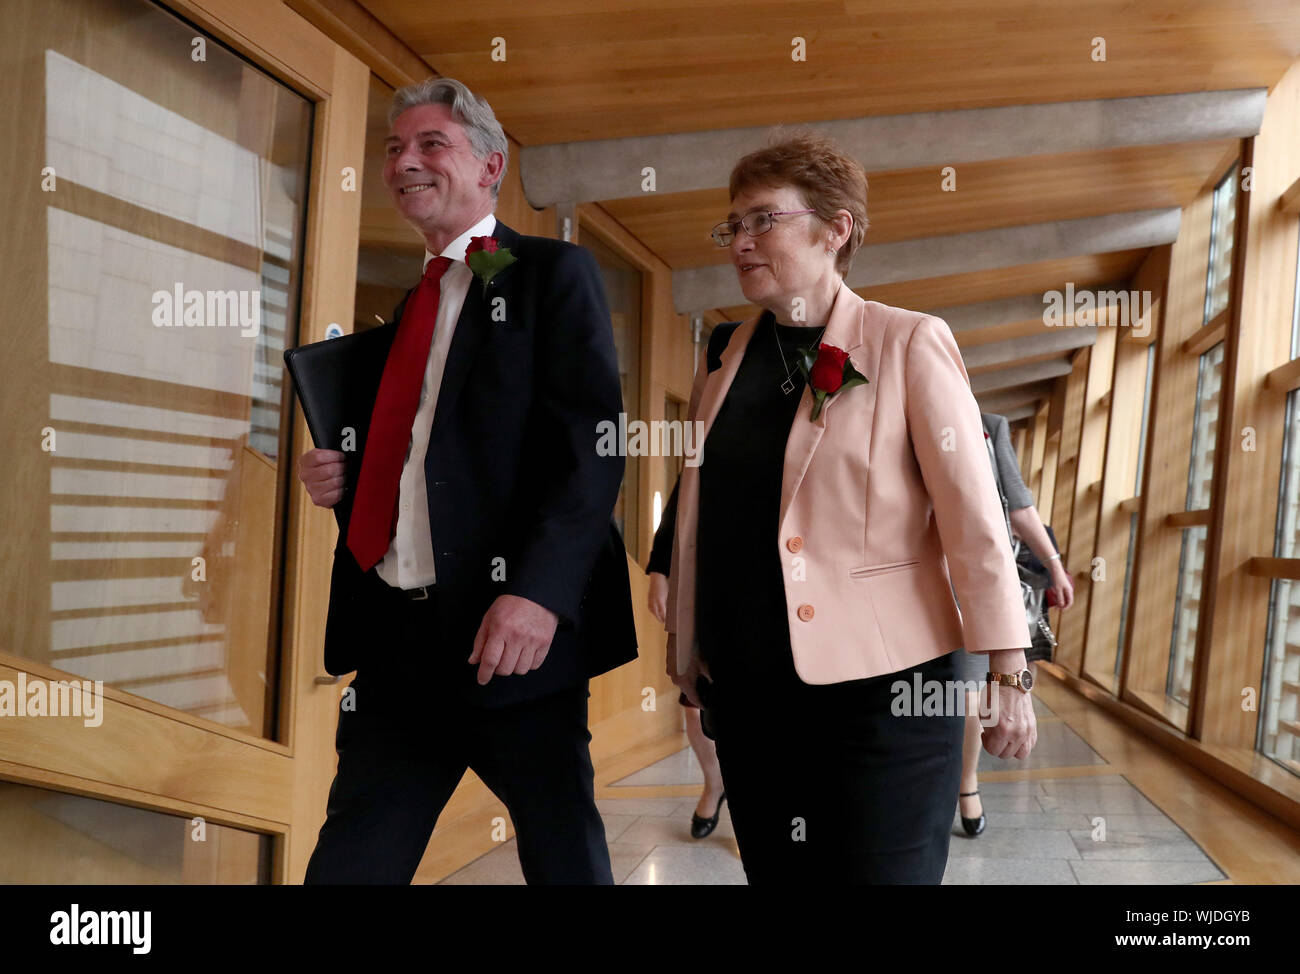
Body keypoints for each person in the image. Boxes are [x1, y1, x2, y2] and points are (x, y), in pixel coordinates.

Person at [664, 130, 1037, 884]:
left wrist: (1008, 672)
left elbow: (975, 521)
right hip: (752, 690)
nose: (740, 241)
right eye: (732, 225)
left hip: (887, 696)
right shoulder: (725, 357)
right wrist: (690, 636)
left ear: (838, 230)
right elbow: (703, 506)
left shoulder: (907, 344)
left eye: (763, 219)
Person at [296, 78, 636, 884]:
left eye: (429, 144)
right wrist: (343, 471)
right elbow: (426, 461)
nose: (404, 161)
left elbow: (593, 448)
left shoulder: (551, 273)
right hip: (395, 645)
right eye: (392, 148)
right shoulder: (400, 313)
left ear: (490, 165)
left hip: (509, 639)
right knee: (351, 864)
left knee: (563, 861)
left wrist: (540, 594)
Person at [953, 412, 1076, 837]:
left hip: (973, 573)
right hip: (906, 576)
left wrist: (1054, 566)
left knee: (969, 691)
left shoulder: (988, 425)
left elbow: (1020, 508)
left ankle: (967, 784)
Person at [646, 479, 726, 839]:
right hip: (712, 581)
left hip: (788, 585)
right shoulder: (713, 425)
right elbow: (683, 499)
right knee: (696, 704)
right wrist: (659, 571)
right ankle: (716, 784)